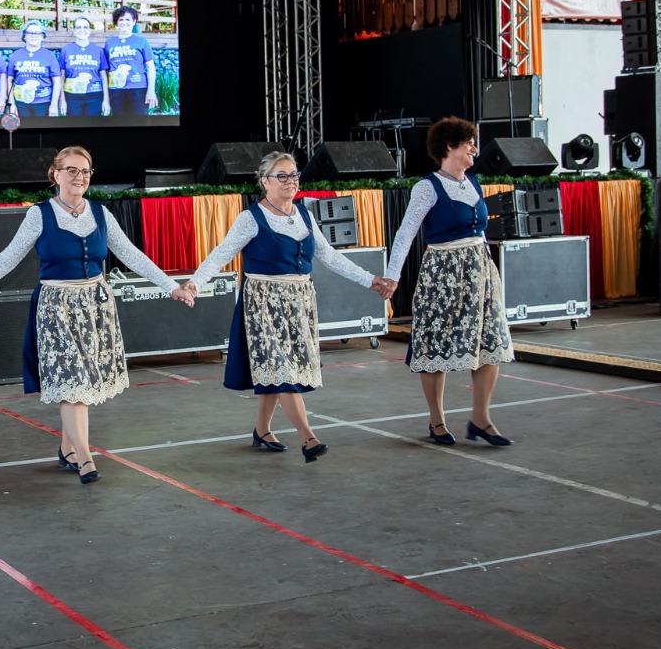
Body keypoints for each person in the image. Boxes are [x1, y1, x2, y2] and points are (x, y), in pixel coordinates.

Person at [0, 146, 194, 484]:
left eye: (85, 171)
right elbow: (7, 258)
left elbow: (131, 253)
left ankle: (69, 449)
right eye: (71, 170)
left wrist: (170, 286)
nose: (79, 177)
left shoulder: (100, 212)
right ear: (55, 174)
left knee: (83, 379)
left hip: (95, 306)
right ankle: (85, 457)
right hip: (57, 307)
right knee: (72, 382)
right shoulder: (39, 214)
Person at [189, 153, 395, 461]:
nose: (290, 181)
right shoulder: (251, 218)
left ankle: (262, 429)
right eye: (281, 176)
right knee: (283, 369)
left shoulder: (304, 215)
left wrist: (370, 280)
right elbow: (220, 254)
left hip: (299, 302)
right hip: (263, 303)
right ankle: (308, 438)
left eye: (294, 175)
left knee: (277, 369)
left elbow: (330, 257)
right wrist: (194, 284)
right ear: (264, 182)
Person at [380, 117, 515, 447]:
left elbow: (480, 230)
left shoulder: (474, 183)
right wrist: (392, 277)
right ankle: (437, 421)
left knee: (490, 343)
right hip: (443, 274)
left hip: (479, 272)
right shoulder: (427, 187)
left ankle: (480, 418)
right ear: (450, 147)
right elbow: (405, 233)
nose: (474, 148)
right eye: (468, 142)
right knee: (436, 345)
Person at [0, 20, 64, 119]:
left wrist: (53, 104)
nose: (33, 35)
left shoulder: (49, 55)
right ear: (24, 36)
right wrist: (11, 104)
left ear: (42, 37)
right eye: (30, 32)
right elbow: (9, 81)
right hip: (21, 104)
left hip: (43, 103)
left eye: (37, 33)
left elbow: (57, 82)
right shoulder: (16, 55)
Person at [102, 5, 157, 116]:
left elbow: (151, 67)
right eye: (121, 19)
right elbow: (106, 71)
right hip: (116, 90)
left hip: (138, 89)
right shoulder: (109, 43)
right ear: (116, 22)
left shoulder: (141, 41)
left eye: (128, 19)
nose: (124, 22)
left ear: (134, 21)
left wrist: (151, 91)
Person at [56, 16, 111, 117]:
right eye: (78, 27)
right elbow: (61, 78)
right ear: (74, 30)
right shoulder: (66, 50)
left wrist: (106, 100)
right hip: (72, 96)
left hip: (95, 96)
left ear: (90, 30)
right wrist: (62, 100)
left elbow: (104, 77)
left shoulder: (98, 50)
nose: (82, 30)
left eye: (85, 27)